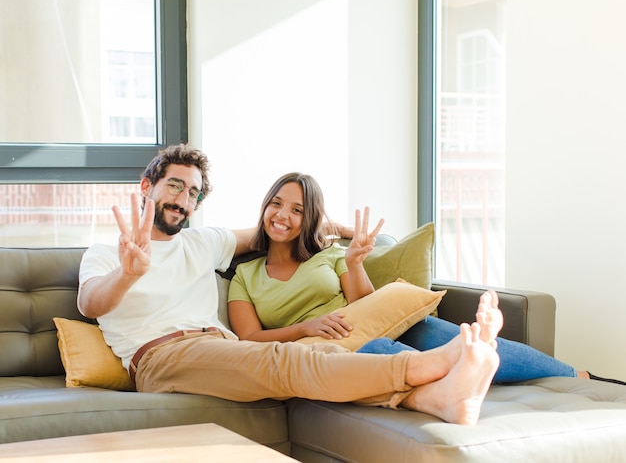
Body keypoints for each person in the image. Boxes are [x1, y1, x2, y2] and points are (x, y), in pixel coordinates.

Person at [77, 143, 502, 427]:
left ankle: (435, 400)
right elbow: (90, 303)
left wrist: (342, 232)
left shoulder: (205, 241)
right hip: (161, 356)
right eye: (174, 185)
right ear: (147, 186)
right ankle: (431, 364)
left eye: (193, 193)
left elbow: (272, 229)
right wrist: (128, 273)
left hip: (224, 347)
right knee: (283, 359)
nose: (183, 199)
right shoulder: (106, 252)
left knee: (319, 355)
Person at [228, 172, 624, 385]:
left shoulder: (329, 254)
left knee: (472, 339)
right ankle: (454, 374)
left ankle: (583, 377)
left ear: (309, 218)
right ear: (264, 207)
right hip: (332, 349)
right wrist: (305, 327)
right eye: (276, 204)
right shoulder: (244, 274)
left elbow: (367, 302)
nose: (283, 215)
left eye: (297, 210)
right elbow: (248, 338)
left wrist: (354, 263)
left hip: (382, 323)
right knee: (383, 352)